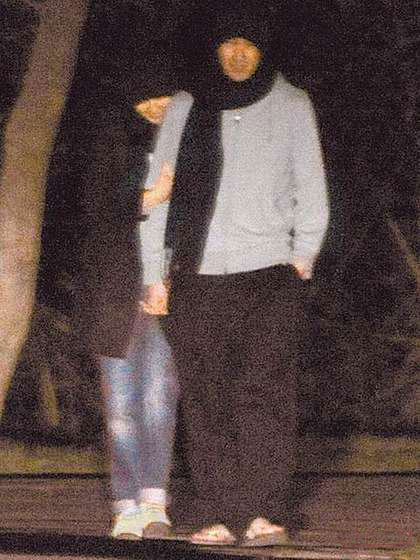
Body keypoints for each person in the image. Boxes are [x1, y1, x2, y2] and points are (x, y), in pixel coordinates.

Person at [140, 4, 329, 546]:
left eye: (248, 43)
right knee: (207, 397)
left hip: (270, 273)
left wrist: (302, 256)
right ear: (214, 47)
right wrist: (154, 273)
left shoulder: (292, 104)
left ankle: (264, 510)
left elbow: (312, 187)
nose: (238, 53)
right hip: (197, 272)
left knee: (264, 393)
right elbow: (158, 194)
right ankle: (222, 513)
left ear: (264, 48)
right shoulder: (185, 106)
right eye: (228, 43)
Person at [75, 89, 179, 540]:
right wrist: (148, 197)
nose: (157, 109)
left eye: (167, 100)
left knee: (159, 399)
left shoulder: (186, 146)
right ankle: (126, 504)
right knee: (120, 404)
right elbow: (93, 209)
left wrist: (170, 282)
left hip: (167, 294)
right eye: (147, 100)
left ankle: (154, 500)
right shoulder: (109, 146)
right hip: (113, 295)